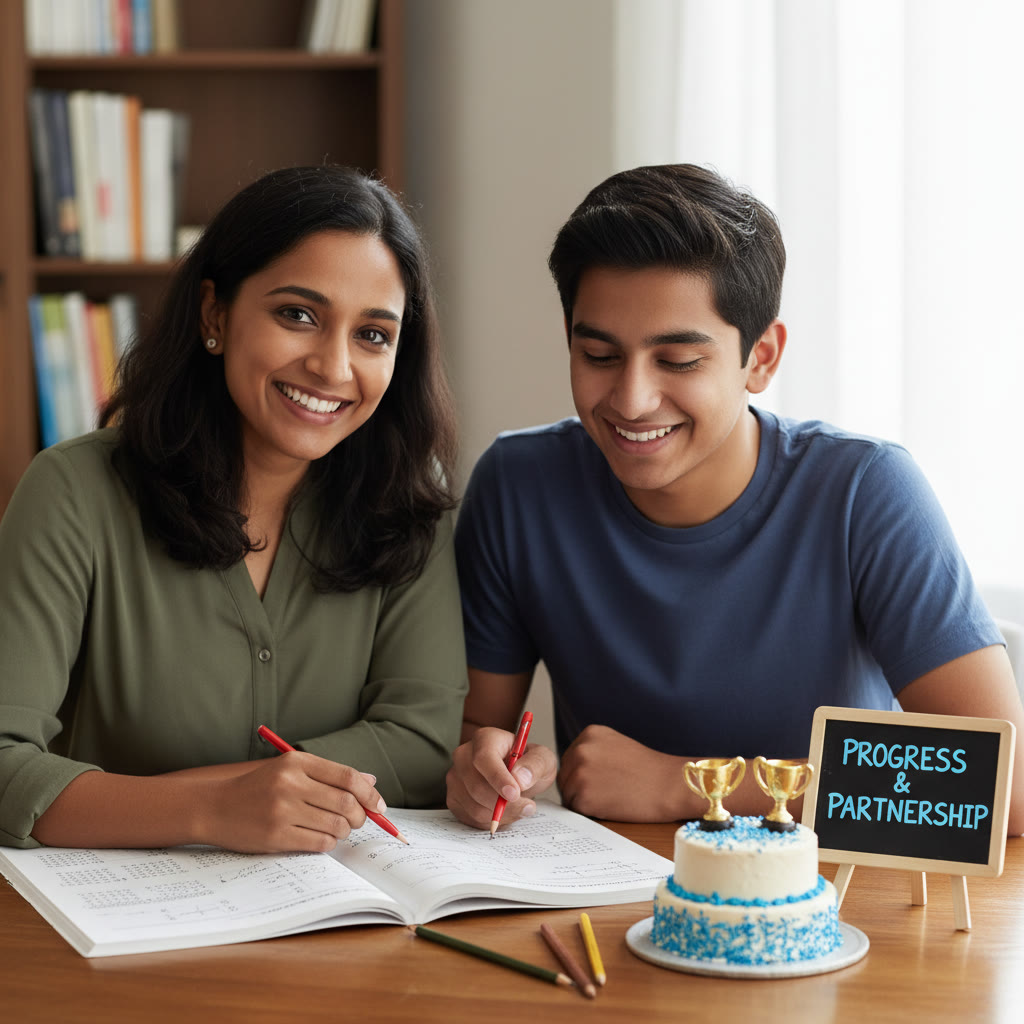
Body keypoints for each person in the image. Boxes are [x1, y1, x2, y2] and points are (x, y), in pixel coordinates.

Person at [446, 163, 1024, 834]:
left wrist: (686, 783)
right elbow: (472, 731)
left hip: (840, 904)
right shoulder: (518, 487)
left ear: (762, 358)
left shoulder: (866, 491)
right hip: (612, 898)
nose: (631, 399)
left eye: (679, 362)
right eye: (600, 355)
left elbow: (1002, 786)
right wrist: (483, 768)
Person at [0, 165, 468, 853]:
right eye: (298, 315)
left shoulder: (408, 497)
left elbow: (422, 742)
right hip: (110, 931)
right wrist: (213, 808)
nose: (334, 368)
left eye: (372, 334)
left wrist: (267, 797)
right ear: (215, 313)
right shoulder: (73, 492)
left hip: (336, 926)